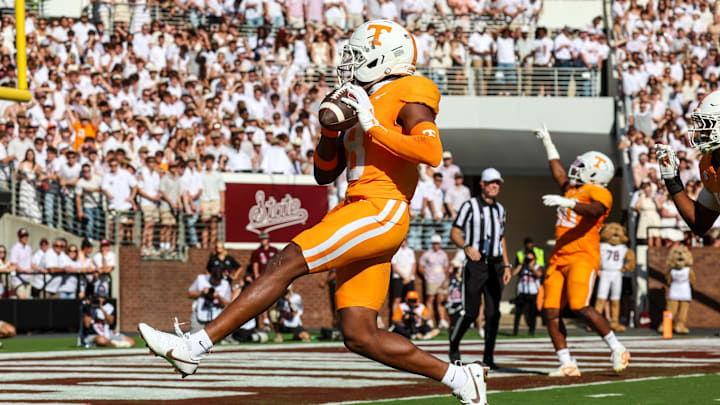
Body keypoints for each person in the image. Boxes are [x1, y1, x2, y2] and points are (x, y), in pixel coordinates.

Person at [139, 20, 488, 405]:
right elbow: (324, 174)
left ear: (386, 58)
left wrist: (372, 126)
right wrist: (331, 133)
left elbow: (430, 152)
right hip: (358, 205)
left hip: (381, 208)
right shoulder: (360, 94)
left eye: (358, 55)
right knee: (359, 333)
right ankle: (460, 377)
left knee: (284, 261)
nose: (350, 62)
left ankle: (195, 347)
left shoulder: (410, 89)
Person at [532, 124, 629, 376]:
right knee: (550, 311)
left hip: (582, 256)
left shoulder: (597, 191)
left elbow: (596, 210)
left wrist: (570, 203)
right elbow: (560, 174)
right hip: (558, 258)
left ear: (597, 175)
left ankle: (617, 348)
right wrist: (548, 144)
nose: (578, 170)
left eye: (583, 168)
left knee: (580, 306)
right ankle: (566, 362)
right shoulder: (573, 188)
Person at [449, 167, 512, 370]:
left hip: (495, 265)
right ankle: (454, 342)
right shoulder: (470, 206)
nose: (495, 186)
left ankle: (488, 356)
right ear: (482, 184)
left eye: (498, 183)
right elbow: (455, 232)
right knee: (471, 311)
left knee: (494, 314)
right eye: (491, 182)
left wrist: (507, 264)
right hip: (476, 265)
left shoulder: (501, 209)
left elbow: (502, 238)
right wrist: (466, 246)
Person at [655, 91, 720, 239]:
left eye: (708, 124)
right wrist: (672, 181)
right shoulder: (709, 164)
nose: (701, 131)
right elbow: (700, 222)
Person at [418, 233, 450, 329]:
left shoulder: (443, 254)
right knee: (430, 299)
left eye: (438, 243)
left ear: (440, 244)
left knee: (441, 300)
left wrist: (444, 277)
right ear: (432, 244)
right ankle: (430, 320)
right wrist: (427, 276)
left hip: (441, 280)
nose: (436, 245)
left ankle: (442, 320)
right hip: (431, 280)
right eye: (434, 243)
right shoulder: (426, 254)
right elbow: (421, 267)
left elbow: (446, 267)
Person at [188, 266, 232, 333]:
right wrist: (202, 292)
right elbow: (189, 294)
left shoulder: (225, 284)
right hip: (198, 318)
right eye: (215, 280)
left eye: (218, 281)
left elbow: (226, 304)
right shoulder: (201, 279)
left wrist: (218, 297)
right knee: (194, 340)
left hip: (216, 319)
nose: (216, 283)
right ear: (211, 276)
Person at [512, 250, 542, 336]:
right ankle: (515, 331)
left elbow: (539, 274)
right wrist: (522, 264)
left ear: (534, 259)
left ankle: (531, 331)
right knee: (518, 313)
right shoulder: (522, 267)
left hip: (533, 293)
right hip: (522, 292)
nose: (529, 260)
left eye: (531, 259)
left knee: (532, 313)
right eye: (527, 259)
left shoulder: (537, 266)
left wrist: (532, 267)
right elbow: (514, 273)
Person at [390, 238, 417, 316]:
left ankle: (410, 319)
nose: (403, 243)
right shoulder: (395, 252)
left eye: (404, 241)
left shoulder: (410, 251)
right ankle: (396, 318)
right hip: (398, 278)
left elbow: (414, 265)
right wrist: (405, 277)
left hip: (410, 278)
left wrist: (409, 277)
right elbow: (394, 267)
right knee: (397, 299)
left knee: (411, 299)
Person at [9, 228, 33, 299]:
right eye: (23, 236)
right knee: (22, 298)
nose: (25, 237)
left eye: (26, 235)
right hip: (17, 279)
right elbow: (13, 263)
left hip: (27, 279)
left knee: (27, 300)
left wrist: (39, 270)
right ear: (19, 237)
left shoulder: (29, 248)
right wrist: (24, 271)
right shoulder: (15, 248)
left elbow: (31, 263)